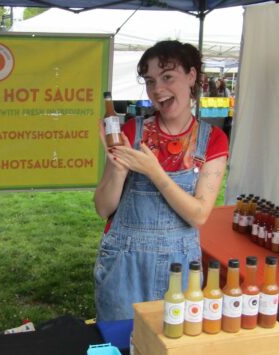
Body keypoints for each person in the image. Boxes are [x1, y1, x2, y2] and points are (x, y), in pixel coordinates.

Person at [93, 40, 229, 321]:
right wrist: (117, 169)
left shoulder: (213, 140)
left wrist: (155, 173)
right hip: (124, 265)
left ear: (191, 76)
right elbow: (103, 209)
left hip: (178, 270)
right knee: (121, 343)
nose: (157, 89)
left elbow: (199, 215)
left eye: (168, 77)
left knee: (172, 344)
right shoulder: (131, 131)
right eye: (150, 81)